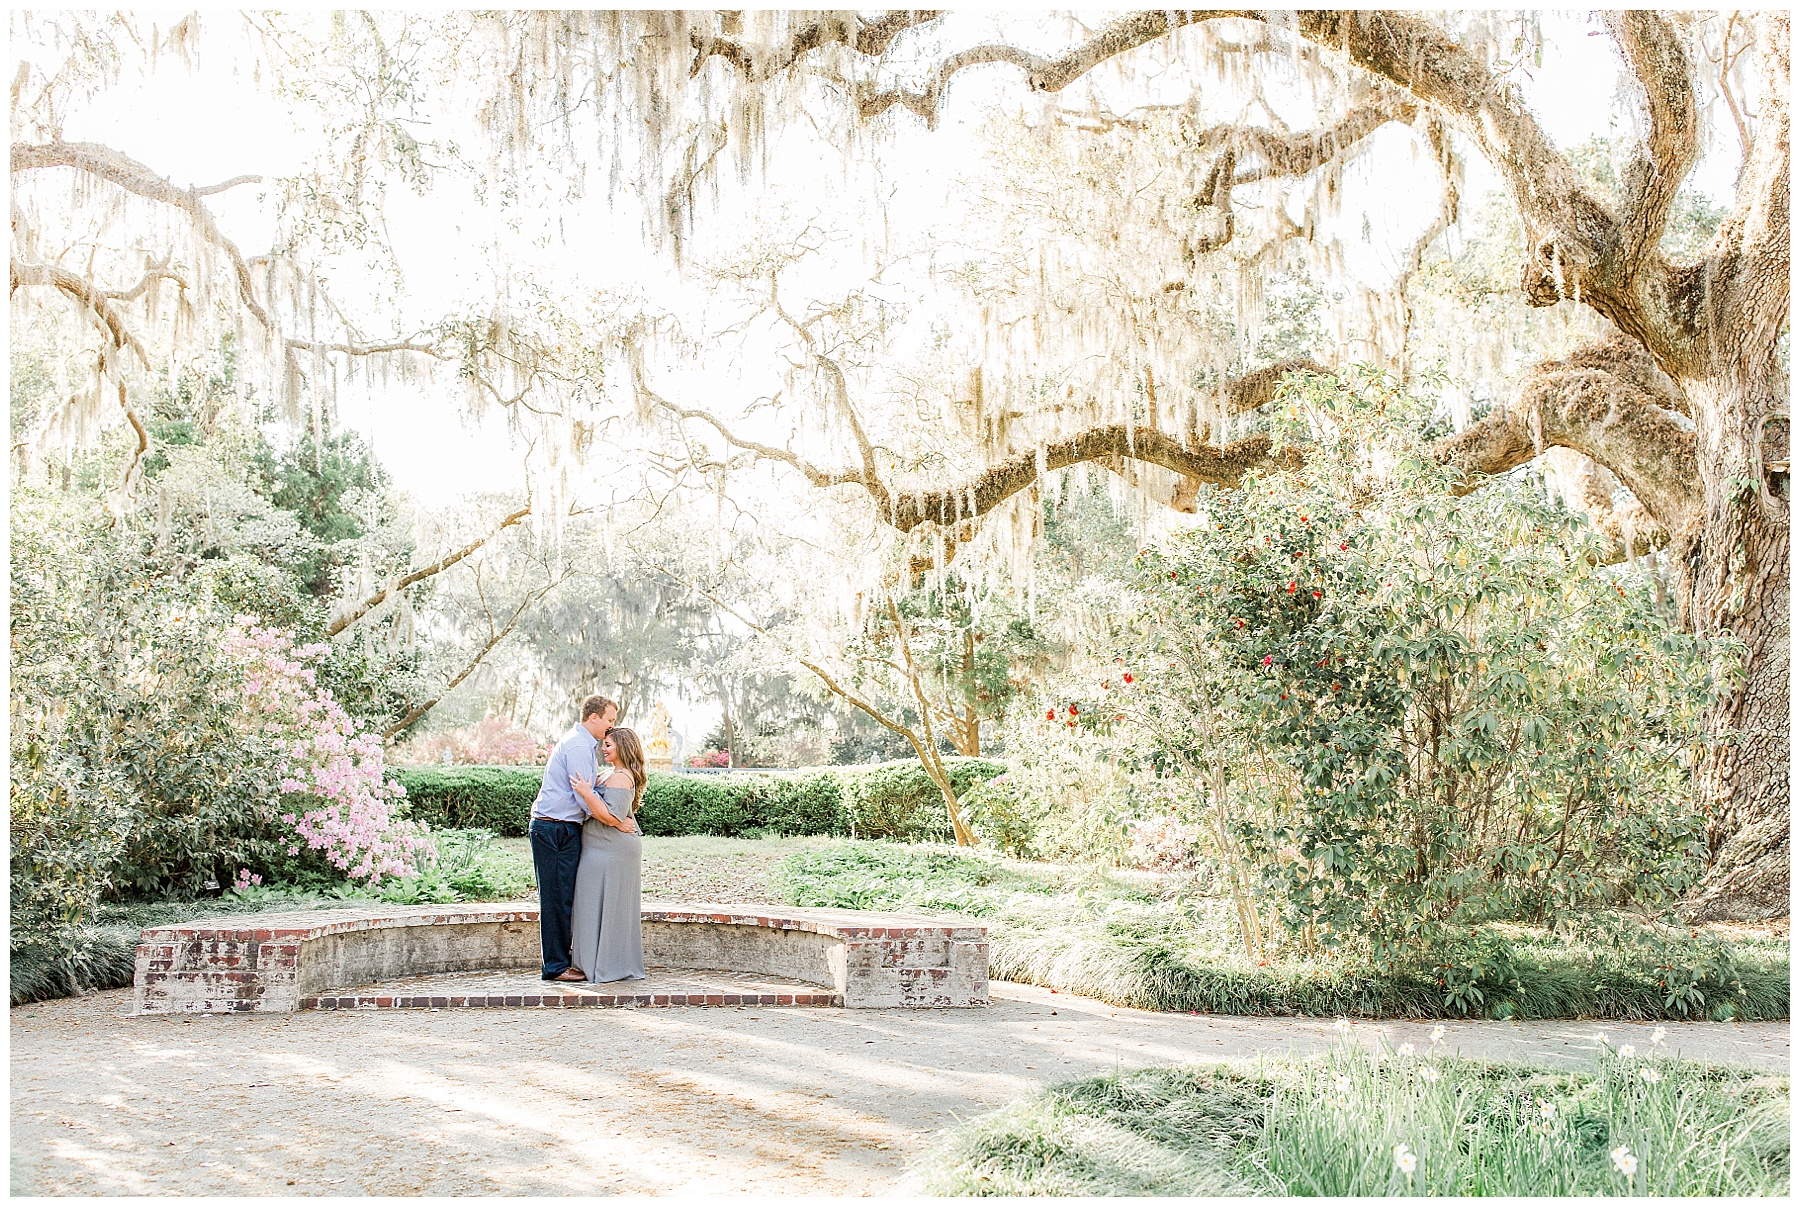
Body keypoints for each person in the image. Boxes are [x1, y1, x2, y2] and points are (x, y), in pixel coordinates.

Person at [529, 694, 624, 982]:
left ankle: (561, 961)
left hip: (559, 828)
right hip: (555, 829)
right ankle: (556, 966)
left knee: (563, 896)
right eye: (609, 720)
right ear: (593, 717)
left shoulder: (580, 742)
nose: (611, 726)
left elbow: (587, 787)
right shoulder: (580, 745)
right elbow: (585, 798)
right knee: (557, 899)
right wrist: (613, 820)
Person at [568, 726, 647, 983]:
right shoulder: (607, 774)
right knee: (589, 903)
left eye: (609, 745)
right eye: (604, 744)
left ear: (623, 747)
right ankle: (589, 963)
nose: (604, 748)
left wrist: (588, 794)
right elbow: (614, 816)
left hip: (615, 851)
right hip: (597, 847)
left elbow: (612, 815)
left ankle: (609, 965)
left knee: (613, 906)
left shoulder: (623, 778)